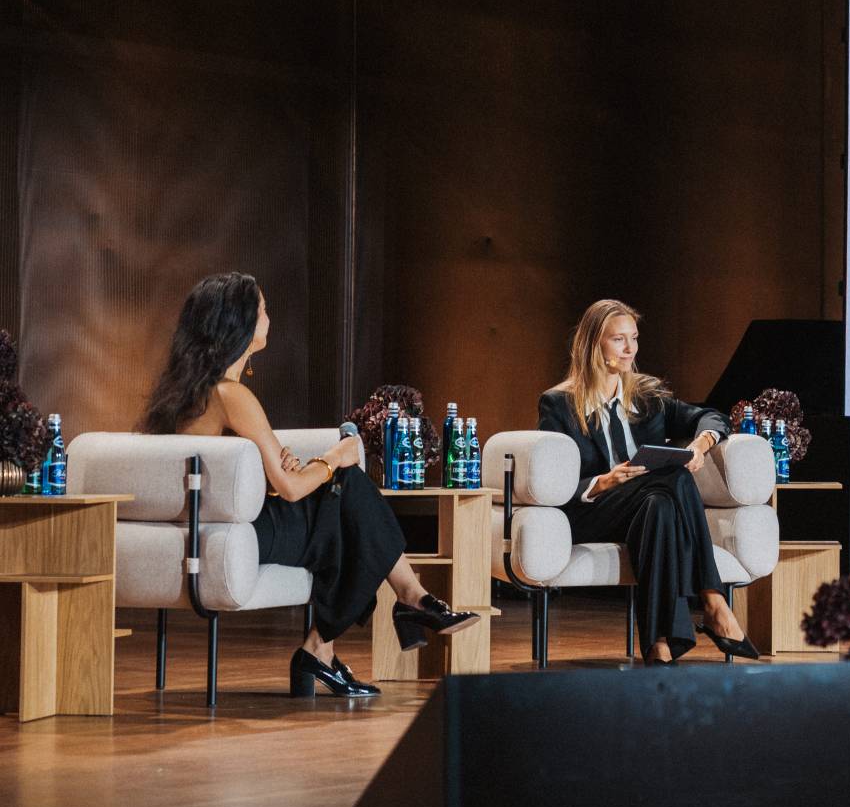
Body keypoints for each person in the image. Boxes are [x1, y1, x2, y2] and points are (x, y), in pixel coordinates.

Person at [139, 272, 478, 698]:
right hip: (244, 534)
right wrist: (333, 459)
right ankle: (379, 615)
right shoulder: (231, 395)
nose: (268, 318)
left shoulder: (186, 393)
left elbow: (241, 481)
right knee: (348, 495)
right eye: (261, 310)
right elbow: (293, 488)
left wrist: (290, 471)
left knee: (344, 510)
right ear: (239, 324)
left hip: (219, 528)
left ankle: (361, 628)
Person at [536, 299, 758, 666]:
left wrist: (701, 445)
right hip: (591, 511)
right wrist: (603, 482)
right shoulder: (558, 404)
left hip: (642, 509)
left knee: (660, 505)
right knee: (672, 475)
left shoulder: (647, 397)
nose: (630, 349)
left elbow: (712, 416)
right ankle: (713, 600)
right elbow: (552, 482)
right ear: (594, 344)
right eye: (618, 340)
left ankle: (659, 646)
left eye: (634, 339)